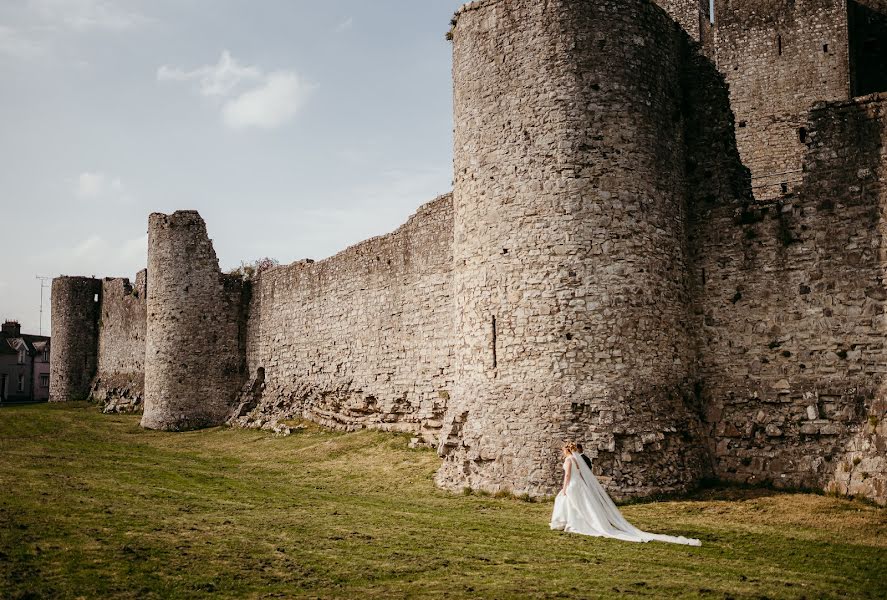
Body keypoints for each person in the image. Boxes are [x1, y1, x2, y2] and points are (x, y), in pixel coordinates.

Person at [550, 442, 701, 546]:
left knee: (568, 501)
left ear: (567, 451)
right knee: (579, 504)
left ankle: (569, 523)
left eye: (563, 451)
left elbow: (568, 476)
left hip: (572, 485)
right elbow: (582, 475)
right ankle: (572, 522)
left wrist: (564, 488)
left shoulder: (569, 461)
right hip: (579, 485)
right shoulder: (577, 460)